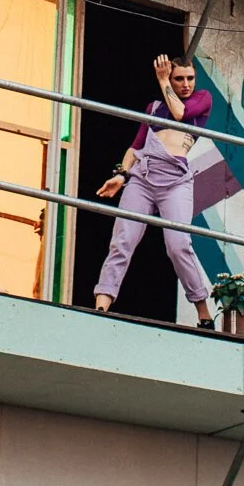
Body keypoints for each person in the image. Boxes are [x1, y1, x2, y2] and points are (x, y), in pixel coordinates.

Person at [93, 55, 216, 329]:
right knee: (122, 240)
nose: (186, 84)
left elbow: (180, 114)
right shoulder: (154, 107)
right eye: (178, 78)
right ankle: (102, 304)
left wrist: (163, 81)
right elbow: (136, 145)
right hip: (143, 176)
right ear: (171, 78)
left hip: (176, 181)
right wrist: (121, 175)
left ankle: (203, 313)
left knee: (179, 246)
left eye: (190, 78)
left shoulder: (202, 99)